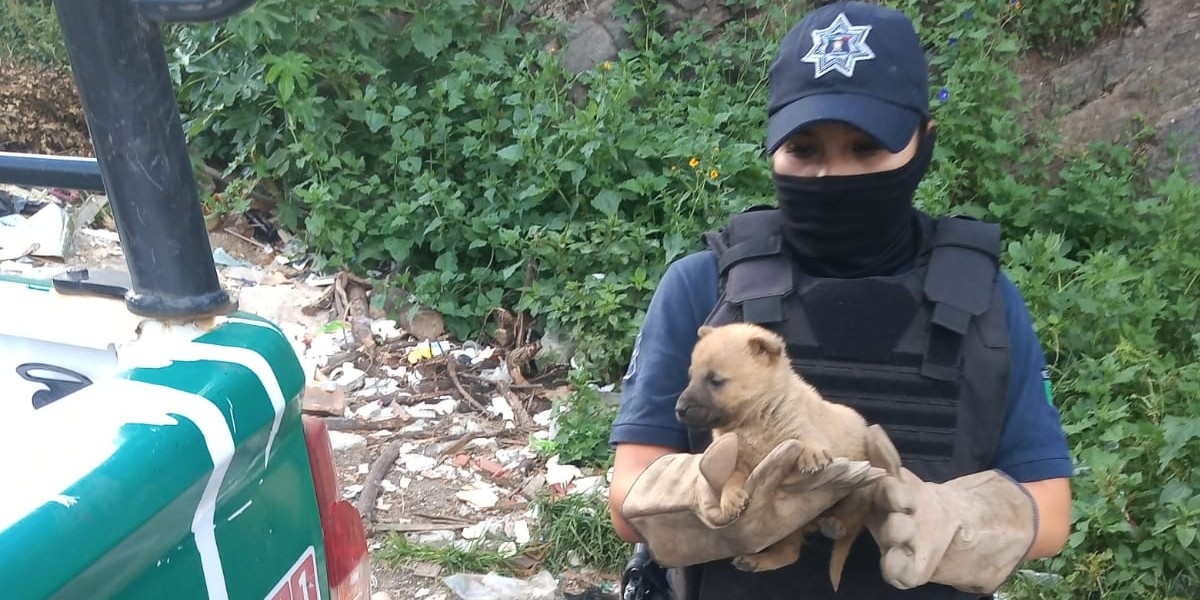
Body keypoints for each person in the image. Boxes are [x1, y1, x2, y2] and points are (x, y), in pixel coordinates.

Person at [606, 2, 1074, 599]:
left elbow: (1050, 514)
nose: (833, 176)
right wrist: (706, 497)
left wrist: (950, 515)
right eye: (804, 149)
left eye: (865, 148)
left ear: (922, 144)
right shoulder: (703, 287)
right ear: (772, 147)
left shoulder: (982, 301)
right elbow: (628, 504)